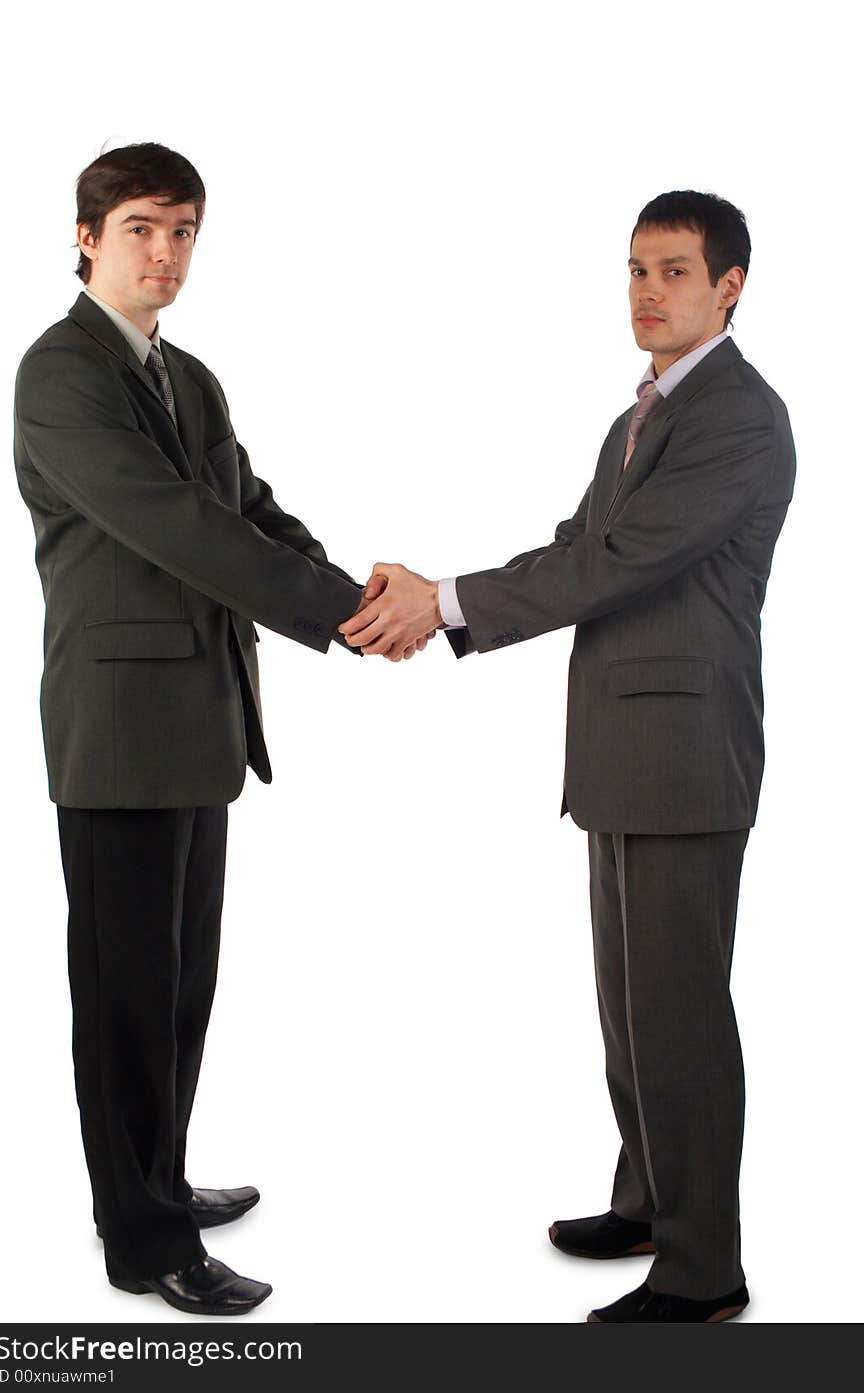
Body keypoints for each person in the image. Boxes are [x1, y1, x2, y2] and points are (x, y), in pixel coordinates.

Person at [339, 191, 795, 1323]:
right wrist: (438, 594)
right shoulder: (636, 415)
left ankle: (703, 1269)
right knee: (631, 1007)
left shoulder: (739, 415)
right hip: (619, 749)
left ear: (729, 285)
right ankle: (647, 1202)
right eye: (635, 269)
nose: (648, 291)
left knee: (680, 1014)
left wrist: (440, 605)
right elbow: (575, 546)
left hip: (685, 756)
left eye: (674, 272)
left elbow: (620, 561)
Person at [13, 142, 427, 1316]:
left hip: (201, 722)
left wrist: (346, 588)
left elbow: (244, 504)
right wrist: (339, 616)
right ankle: (141, 1242)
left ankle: (162, 1178)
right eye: (143, 227)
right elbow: (174, 526)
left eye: (185, 231)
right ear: (89, 235)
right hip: (118, 727)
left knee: (180, 982)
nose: (167, 253)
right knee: (125, 989)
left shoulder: (186, 375)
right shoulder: (60, 374)